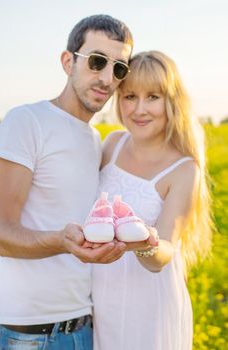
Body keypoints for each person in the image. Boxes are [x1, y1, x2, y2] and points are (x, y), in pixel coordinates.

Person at [0, 14, 134, 350]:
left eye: (119, 68)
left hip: (83, 329)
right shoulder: (27, 121)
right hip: (27, 333)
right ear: (67, 61)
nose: (106, 78)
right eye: (97, 61)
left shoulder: (94, 140)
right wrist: (62, 241)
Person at [92, 50, 213, 350]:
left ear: (172, 101)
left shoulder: (184, 168)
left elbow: (166, 250)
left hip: (149, 306)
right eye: (130, 96)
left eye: (153, 97)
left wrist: (145, 244)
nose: (139, 109)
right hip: (100, 297)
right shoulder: (112, 144)